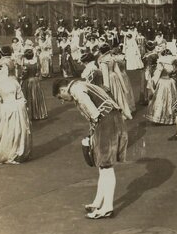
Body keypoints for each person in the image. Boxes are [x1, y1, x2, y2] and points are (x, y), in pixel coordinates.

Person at [53, 78, 129, 219]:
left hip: (106, 122)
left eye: (61, 98)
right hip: (112, 119)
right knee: (102, 165)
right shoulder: (84, 84)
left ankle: (107, 208)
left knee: (106, 165)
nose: (64, 100)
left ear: (63, 90)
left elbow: (92, 111)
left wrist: (93, 132)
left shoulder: (76, 90)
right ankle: (98, 202)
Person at [0, 58, 32, 164]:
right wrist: (1, 107)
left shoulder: (14, 82)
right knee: (9, 132)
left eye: (6, 68)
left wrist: (21, 103)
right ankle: (9, 153)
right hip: (6, 110)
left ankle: (17, 152)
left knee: (19, 132)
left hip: (18, 110)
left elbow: (21, 96)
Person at [145, 49, 177, 125]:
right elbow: (176, 72)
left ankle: (160, 117)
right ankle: (171, 117)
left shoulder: (161, 63)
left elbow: (157, 74)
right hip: (171, 82)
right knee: (171, 99)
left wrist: (152, 83)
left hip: (162, 82)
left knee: (161, 100)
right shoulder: (173, 62)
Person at [19, 49, 48, 121]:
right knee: (37, 96)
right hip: (36, 81)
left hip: (29, 81)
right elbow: (38, 72)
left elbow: (24, 75)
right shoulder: (36, 63)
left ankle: (31, 114)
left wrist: (21, 78)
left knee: (29, 96)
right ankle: (38, 113)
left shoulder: (26, 64)